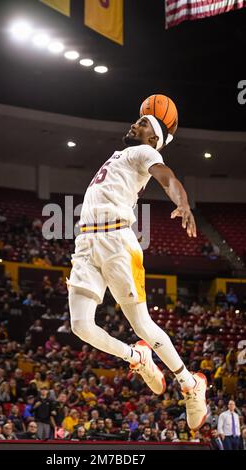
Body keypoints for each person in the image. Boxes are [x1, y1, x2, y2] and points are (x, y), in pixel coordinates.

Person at [68, 114, 207, 431]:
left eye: (143, 124)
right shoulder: (121, 155)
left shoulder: (146, 152)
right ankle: (137, 357)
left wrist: (183, 203)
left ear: (153, 139)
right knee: (80, 326)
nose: (135, 124)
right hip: (86, 241)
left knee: (142, 323)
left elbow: (167, 176)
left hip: (117, 241)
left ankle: (189, 383)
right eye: (137, 120)